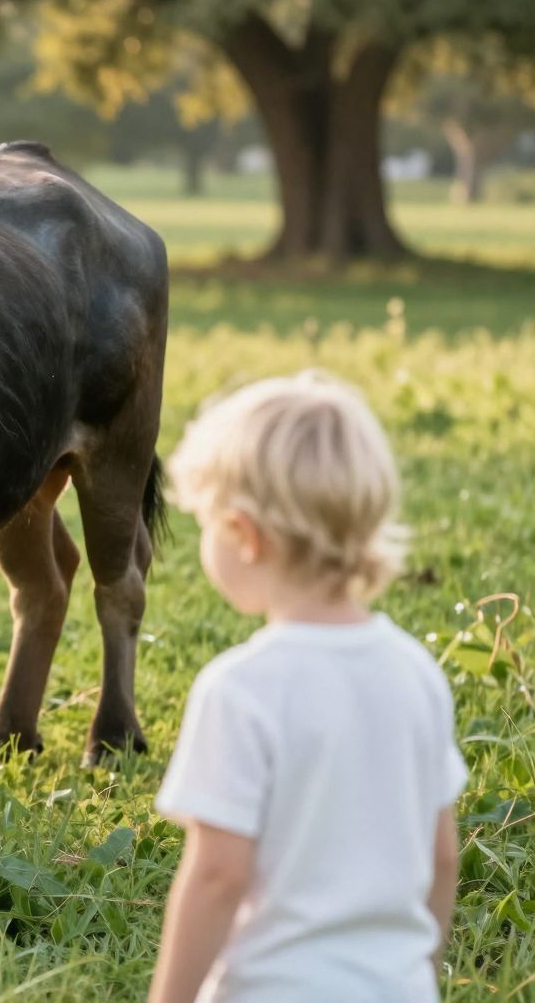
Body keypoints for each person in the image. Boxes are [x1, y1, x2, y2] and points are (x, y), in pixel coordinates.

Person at [147, 372, 465, 1003]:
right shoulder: (418, 673)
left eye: (207, 523)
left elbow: (217, 876)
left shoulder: (239, 691)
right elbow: (444, 854)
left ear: (245, 535)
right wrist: (416, 974)